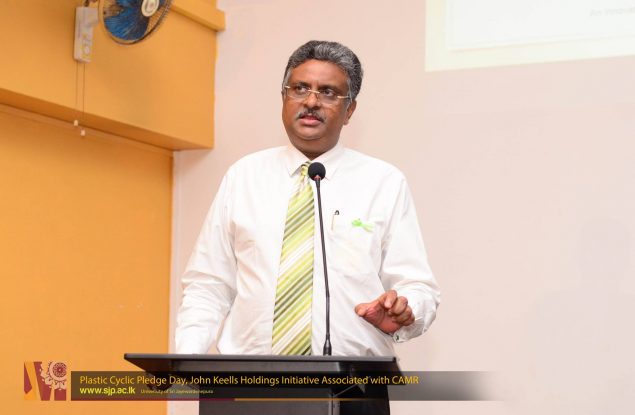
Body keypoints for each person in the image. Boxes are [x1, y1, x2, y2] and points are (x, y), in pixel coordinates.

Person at [175, 40, 440, 357]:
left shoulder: (383, 182)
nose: (311, 101)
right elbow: (208, 284)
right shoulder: (243, 176)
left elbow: (418, 287)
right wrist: (184, 361)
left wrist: (406, 308)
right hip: (248, 378)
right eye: (299, 88)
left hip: (351, 379)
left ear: (349, 110)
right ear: (284, 98)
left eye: (328, 92)